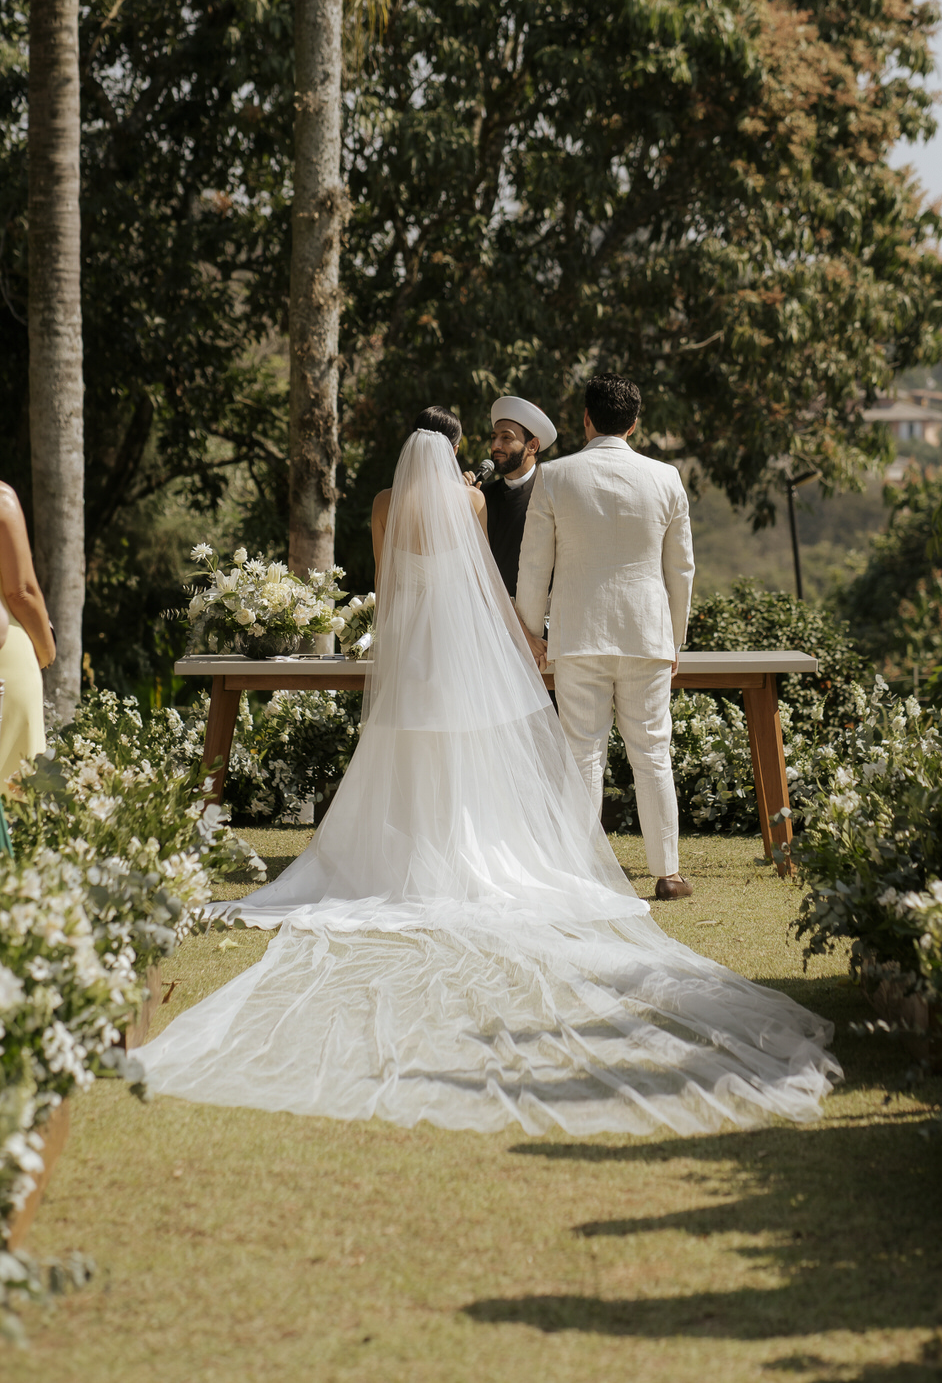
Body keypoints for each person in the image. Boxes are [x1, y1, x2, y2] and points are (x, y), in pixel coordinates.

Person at [135, 404, 839, 1134]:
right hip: (463, 645)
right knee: (484, 750)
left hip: (410, 644)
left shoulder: (383, 504)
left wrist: (387, 640)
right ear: (453, 450)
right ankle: (500, 854)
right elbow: (482, 582)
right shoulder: (470, 501)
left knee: (406, 752)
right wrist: (520, 638)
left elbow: (387, 581)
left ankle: (410, 855)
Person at [515, 373, 696, 901]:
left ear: (586, 420)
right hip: (647, 634)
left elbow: (534, 565)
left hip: (578, 634)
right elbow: (681, 569)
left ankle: (579, 872)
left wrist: (530, 634)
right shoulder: (666, 478)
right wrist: (674, 640)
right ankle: (668, 874)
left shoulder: (555, 476)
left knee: (582, 754)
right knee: (653, 753)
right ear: (634, 424)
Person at [464, 396, 558, 597]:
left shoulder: (552, 496)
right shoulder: (481, 495)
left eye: (506, 438)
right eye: (494, 437)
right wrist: (461, 498)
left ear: (533, 445)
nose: (495, 446)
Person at [0, 482, 55, 788]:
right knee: (16, 796)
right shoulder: (1, 500)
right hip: (7, 663)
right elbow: (20, 592)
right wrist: (47, 651)